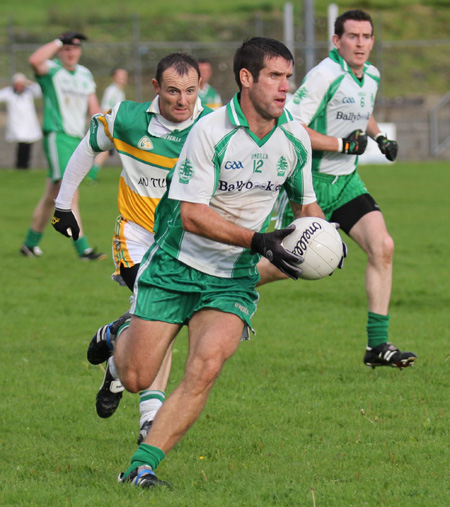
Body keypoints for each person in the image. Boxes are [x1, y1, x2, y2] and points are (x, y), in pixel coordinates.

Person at [86, 36, 328, 488]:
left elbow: (305, 207)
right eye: (275, 77)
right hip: (175, 265)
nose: (284, 88)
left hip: (232, 277)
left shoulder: (294, 138)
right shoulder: (210, 132)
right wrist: (259, 240)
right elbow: (193, 217)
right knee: (138, 377)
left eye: (288, 78)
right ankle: (120, 332)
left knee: (206, 366)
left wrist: (324, 238)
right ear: (246, 78)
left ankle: (142, 466)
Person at [52, 53, 212, 442]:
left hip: (181, 243)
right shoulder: (126, 117)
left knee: (154, 321)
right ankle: (150, 419)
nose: (182, 100)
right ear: (156, 88)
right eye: (173, 91)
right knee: (164, 315)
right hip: (136, 238)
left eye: (190, 91)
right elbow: (88, 146)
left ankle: (114, 347)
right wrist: (62, 205)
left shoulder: (212, 125)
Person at [277, 9, 416, 369]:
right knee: (284, 264)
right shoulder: (325, 75)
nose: (360, 43)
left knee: (382, 247)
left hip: (347, 182)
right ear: (337, 41)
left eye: (366, 36)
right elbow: (292, 125)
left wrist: (379, 137)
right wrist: (341, 145)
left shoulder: (370, 75)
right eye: (352, 36)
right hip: (312, 182)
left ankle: (377, 346)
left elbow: (362, 110)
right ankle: (220, 285)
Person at [20, 31, 105, 261]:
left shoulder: (85, 74)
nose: (71, 52)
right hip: (57, 136)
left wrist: (105, 131)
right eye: (67, 48)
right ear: (60, 51)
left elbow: (93, 106)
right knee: (70, 191)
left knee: (52, 195)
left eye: (75, 48)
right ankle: (83, 250)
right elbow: (34, 61)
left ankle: (29, 244)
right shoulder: (52, 70)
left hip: (77, 139)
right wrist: (58, 40)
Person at [88, 67, 129, 182]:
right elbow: (105, 108)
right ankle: (91, 175)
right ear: (114, 77)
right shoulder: (112, 91)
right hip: (111, 125)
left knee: (108, 151)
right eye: (121, 76)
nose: (123, 78)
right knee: (120, 149)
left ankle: (92, 175)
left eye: (124, 76)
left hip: (115, 125)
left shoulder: (120, 91)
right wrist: (108, 125)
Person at [0, 73, 42, 169]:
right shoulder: (9, 92)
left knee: (28, 144)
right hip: (16, 124)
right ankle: (20, 165)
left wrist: (30, 83)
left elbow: (39, 91)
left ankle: (25, 165)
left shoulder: (29, 92)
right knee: (21, 145)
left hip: (29, 124)